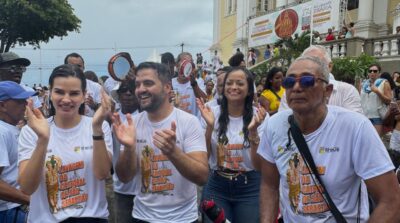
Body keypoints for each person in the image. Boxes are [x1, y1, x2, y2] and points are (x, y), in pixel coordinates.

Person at [258, 56, 400, 222]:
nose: (296, 87)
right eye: (289, 82)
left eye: (306, 80)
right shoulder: (274, 125)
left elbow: (391, 201)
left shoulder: (356, 127)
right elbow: (269, 185)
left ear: (328, 90)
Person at [114, 62, 208, 223]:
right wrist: (129, 148)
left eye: (148, 83)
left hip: (183, 219)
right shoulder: (133, 124)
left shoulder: (188, 122)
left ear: (167, 87)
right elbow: (125, 177)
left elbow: (202, 177)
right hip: (142, 217)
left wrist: (173, 152)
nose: (141, 89)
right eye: (138, 84)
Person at [18, 64, 113, 222]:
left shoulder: (99, 125)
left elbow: (102, 173)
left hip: (91, 218)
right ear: (50, 93)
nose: (66, 99)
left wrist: (96, 129)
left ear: (84, 95)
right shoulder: (31, 131)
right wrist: (43, 140)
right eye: (59, 92)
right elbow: (27, 188)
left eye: (74, 93)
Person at [197, 67, 267, 223]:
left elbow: (259, 165)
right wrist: (209, 128)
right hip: (217, 184)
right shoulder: (210, 113)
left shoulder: (260, 116)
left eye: (240, 83)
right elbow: (205, 157)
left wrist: (253, 132)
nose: (233, 87)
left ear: (249, 90)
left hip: (250, 186)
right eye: (229, 83)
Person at [279, 45, 363, 114]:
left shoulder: (347, 91)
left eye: (316, 62)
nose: (297, 88)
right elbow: (283, 123)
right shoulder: (289, 92)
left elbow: (355, 126)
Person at [0, 81, 33, 223]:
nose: (25, 105)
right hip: (9, 211)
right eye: (19, 101)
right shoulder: (1, 132)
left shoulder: (10, 128)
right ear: (2, 105)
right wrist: (31, 200)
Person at [110, 79, 140, 223]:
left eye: (131, 90)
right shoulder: (111, 118)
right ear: (119, 95)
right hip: (122, 188)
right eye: (124, 91)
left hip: (143, 188)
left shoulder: (145, 116)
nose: (128, 93)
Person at [64, 52, 102, 117]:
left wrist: (94, 106)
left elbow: (103, 110)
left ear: (83, 67)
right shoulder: (59, 88)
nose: (75, 68)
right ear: (65, 67)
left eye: (79, 66)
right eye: (72, 65)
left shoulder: (96, 87)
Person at [360, 64, 392, 136]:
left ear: (379, 73)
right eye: (370, 71)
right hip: (364, 116)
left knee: (376, 142)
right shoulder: (364, 84)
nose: (372, 73)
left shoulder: (384, 83)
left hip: (377, 117)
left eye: (375, 71)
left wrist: (377, 91)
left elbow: (389, 100)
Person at [171, 52, 206, 116]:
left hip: (193, 124)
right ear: (177, 65)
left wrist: (194, 84)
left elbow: (204, 101)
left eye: (188, 63)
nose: (186, 66)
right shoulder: (171, 83)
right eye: (183, 62)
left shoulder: (198, 81)